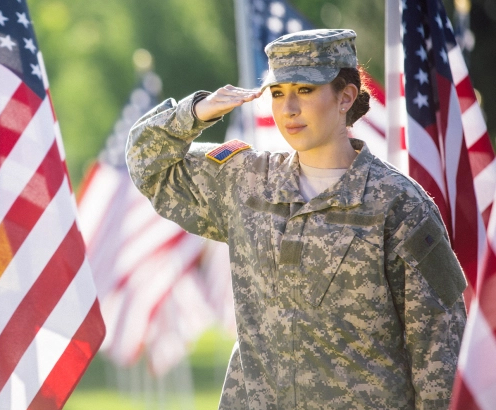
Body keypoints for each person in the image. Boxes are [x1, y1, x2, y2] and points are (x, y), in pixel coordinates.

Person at [126, 29, 467, 409]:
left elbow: (440, 348)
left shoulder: (399, 203)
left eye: (304, 90)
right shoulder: (246, 181)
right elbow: (148, 164)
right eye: (277, 92)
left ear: (346, 97)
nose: (288, 108)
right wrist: (194, 112)